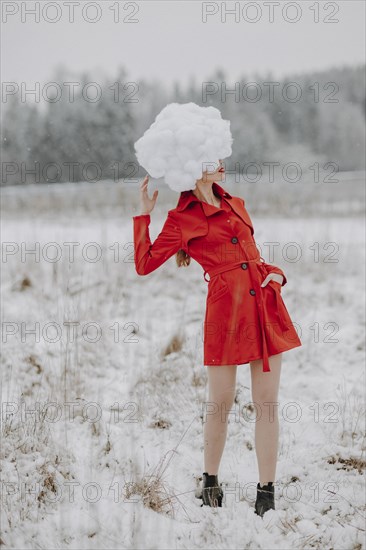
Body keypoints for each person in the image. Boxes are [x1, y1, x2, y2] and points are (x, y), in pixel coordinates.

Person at [132, 160, 302, 516]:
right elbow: (144, 263)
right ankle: (210, 483)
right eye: (211, 160)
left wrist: (275, 274)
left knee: (267, 402)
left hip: (264, 305)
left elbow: (253, 255)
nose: (222, 165)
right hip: (225, 312)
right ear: (191, 169)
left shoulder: (235, 203)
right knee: (220, 403)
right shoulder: (182, 219)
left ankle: (266, 493)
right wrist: (143, 215)